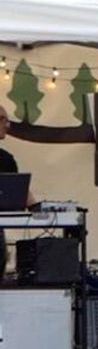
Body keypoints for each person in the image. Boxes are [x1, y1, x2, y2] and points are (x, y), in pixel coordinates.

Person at [0, 105, 37, 277]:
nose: (7, 125)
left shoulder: (5, 159)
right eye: (3, 120)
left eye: (7, 120)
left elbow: (21, 191)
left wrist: (42, 208)